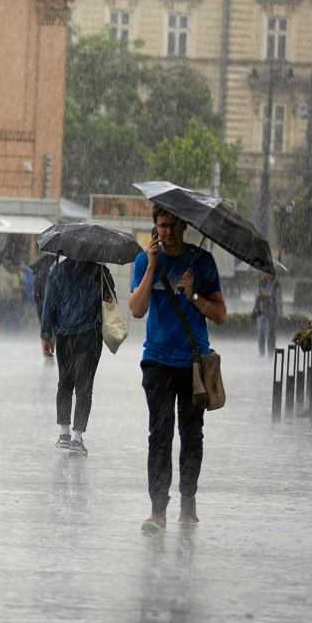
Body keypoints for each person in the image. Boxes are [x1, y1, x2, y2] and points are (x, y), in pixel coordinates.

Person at [129, 207, 226, 532]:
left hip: (192, 364)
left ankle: (188, 502)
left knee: (191, 436)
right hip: (156, 362)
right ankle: (158, 510)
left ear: (184, 226)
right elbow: (138, 309)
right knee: (159, 436)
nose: (166, 233)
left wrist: (194, 296)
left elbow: (221, 314)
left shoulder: (202, 262)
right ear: (155, 227)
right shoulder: (146, 261)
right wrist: (153, 267)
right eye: (161, 226)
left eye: (172, 226)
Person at [40, 258, 114, 457]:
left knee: (65, 383)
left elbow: (49, 303)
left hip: (64, 336)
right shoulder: (100, 272)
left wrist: (46, 334)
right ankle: (77, 437)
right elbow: (110, 301)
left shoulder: (58, 270)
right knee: (84, 387)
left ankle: (64, 434)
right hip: (90, 336)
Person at [253, 272, 282, 356]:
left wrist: (270, 297)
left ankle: (271, 352)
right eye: (265, 273)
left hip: (272, 310)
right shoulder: (261, 282)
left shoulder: (276, 284)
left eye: (269, 273)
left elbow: (278, 297)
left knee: (271, 332)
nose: (267, 275)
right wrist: (260, 297)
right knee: (261, 331)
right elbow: (258, 295)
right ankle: (261, 352)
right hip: (262, 310)